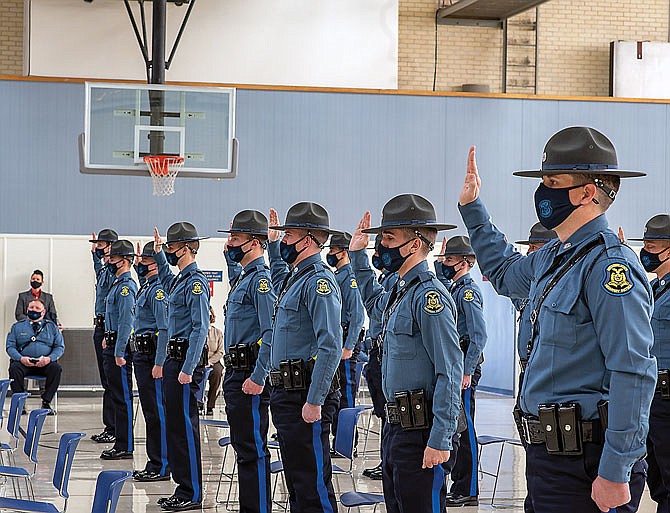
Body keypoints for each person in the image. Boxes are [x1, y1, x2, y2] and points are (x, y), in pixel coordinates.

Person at [457, 127, 655, 512]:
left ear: (587, 192)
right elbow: (502, 272)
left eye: (552, 181)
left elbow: (633, 371)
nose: (543, 191)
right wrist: (474, 210)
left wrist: (616, 470)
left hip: (587, 462)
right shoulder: (553, 258)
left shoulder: (609, 266)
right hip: (547, 457)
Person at [349, 193, 463, 513]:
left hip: (422, 430)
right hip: (396, 426)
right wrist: (357, 256)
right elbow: (372, 301)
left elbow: (450, 370)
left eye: (388, 238)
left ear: (414, 244)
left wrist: (440, 438)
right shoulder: (400, 291)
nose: (380, 246)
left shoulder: (429, 296)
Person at [266, 203, 342, 512]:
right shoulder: (296, 278)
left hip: (303, 396)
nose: (284, 241)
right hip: (287, 393)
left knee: (312, 485)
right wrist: (272, 245)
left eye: (289, 235)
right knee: (297, 482)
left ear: (307, 240)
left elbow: (330, 345)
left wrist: (315, 400)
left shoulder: (318, 282)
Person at [220, 209, 276, 513]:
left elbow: (270, 332)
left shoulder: (260, 282)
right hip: (235, 372)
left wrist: (259, 376)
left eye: (235, 238)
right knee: (244, 449)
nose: (230, 243)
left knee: (252, 450)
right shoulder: (243, 278)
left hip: (249, 376)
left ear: (254, 243)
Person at [153, 222, 210, 512]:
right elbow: (165, 279)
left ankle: (192, 492)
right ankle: (182, 486)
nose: (170, 253)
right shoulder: (179, 281)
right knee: (174, 426)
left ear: (187, 248)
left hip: (186, 363)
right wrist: (159, 255)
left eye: (172, 248)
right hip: (174, 361)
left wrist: (188, 368)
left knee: (185, 428)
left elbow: (201, 328)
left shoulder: (196, 282)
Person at [434, 235, 487, 507]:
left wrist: (467, 370)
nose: (446, 264)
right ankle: (460, 482)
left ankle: (468, 488)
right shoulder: (454, 288)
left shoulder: (468, 292)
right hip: (457, 366)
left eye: (450, 260)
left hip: (465, 368)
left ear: (465, 263)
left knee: (465, 428)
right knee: (457, 426)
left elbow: (478, 335)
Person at [510, 222, 557, 513]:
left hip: (548, 378)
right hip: (528, 374)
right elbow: (515, 292)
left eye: (534, 248)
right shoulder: (535, 290)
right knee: (532, 444)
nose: (529, 252)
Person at [629, 214, 670, 513]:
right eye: (644, 244)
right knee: (657, 478)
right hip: (652, 396)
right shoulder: (655, 290)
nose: (647, 251)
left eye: (653, 245)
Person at [132, 242, 170, 482]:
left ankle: (161, 464)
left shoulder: (158, 292)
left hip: (152, 357)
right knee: (149, 412)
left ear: (155, 264)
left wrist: (159, 362)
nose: (140, 266)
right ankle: (154, 461)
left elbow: (164, 329)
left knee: (157, 414)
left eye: (144, 262)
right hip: (142, 356)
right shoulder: (146, 288)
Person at [361, 235, 398, 481]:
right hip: (377, 353)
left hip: (388, 356)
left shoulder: (396, 280)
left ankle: (388, 462)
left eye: (383, 247)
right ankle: (386, 462)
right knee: (384, 414)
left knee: (389, 414)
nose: (379, 252)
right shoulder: (385, 279)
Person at [325, 231, 366, 448]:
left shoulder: (350, 278)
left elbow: (357, 315)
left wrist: (349, 346)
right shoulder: (337, 276)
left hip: (346, 345)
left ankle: (347, 443)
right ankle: (339, 441)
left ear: (344, 252)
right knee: (336, 394)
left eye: (333, 250)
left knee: (346, 396)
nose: (330, 254)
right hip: (337, 343)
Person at [100, 239, 137, 461]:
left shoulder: (126, 287)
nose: (109, 262)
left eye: (112, 258)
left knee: (122, 397)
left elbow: (126, 321)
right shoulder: (116, 284)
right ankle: (120, 441)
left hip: (119, 349)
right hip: (112, 343)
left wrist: (120, 351)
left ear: (123, 261)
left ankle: (125, 445)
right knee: (115, 394)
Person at [6, 298, 64, 414]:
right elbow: (10, 347)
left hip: (44, 363)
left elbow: (59, 347)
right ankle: (20, 403)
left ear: (43, 312)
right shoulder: (17, 327)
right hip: (24, 363)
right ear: (27, 310)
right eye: (31, 307)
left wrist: (49, 359)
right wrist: (21, 358)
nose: (34, 310)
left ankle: (46, 402)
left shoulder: (52, 327)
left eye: (37, 308)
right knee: (14, 368)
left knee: (56, 369)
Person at [90, 229, 119, 444]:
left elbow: (112, 307)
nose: (98, 248)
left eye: (101, 245)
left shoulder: (116, 273)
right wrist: (94, 255)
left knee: (112, 382)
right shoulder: (105, 271)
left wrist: (108, 333)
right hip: (100, 328)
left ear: (110, 246)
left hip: (107, 330)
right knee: (106, 382)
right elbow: (98, 270)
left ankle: (114, 428)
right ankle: (110, 427)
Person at [204, 306, 224, 416]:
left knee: (218, 372)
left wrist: (210, 362)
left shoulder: (218, 333)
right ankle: (198, 401)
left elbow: (220, 351)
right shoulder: (197, 331)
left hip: (213, 361)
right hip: (199, 361)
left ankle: (210, 405)